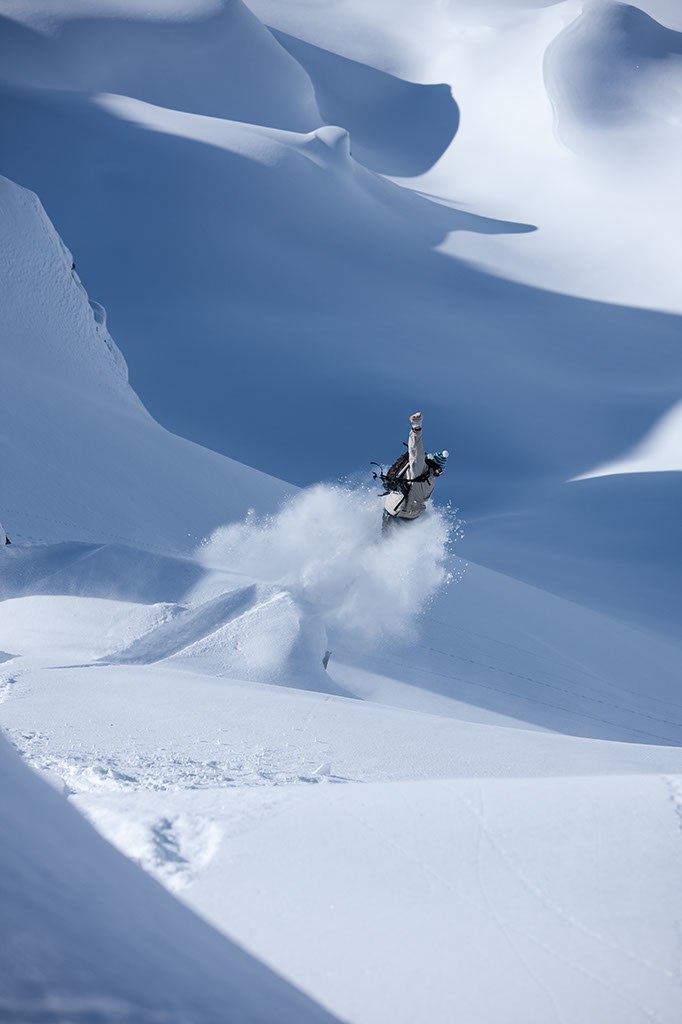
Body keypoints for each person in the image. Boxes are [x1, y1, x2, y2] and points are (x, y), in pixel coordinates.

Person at [382, 411, 448, 533]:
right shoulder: (421, 467)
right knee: (387, 539)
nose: (439, 473)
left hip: (406, 515)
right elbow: (415, 450)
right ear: (436, 466)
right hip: (397, 510)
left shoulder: (431, 480)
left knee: (393, 540)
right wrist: (416, 427)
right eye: (440, 470)